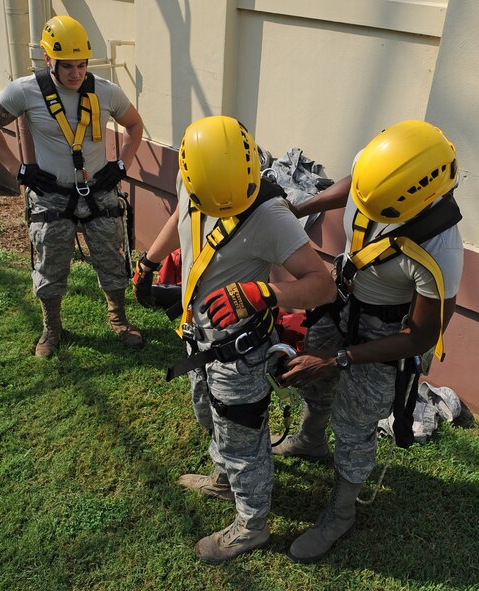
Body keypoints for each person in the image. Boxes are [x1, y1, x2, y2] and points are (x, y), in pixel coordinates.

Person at [134, 115, 336, 563]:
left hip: (238, 353)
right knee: (210, 418)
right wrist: (150, 261)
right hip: (197, 338)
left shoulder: (270, 214)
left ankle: (252, 525)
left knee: (243, 440)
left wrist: (265, 292)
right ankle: (225, 482)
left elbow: (321, 285)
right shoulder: (197, 179)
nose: (222, 206)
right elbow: (182, 218)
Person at [271, 120, 463, 563]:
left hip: (387, 333)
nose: (366, 206)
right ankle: (310, 439)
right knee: (311, 382)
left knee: (355, 422)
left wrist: (341, 359)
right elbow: (354, 185)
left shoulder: (441, 249)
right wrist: (300, 208)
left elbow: (420, 336)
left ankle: (341, 514)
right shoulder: (384, 165)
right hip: (339, 298)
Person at [0, 15, 144, 356]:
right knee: (50, 265)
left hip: (99, 191)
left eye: (82, 65)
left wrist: (121, 164)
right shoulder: (25, 91)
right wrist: (17, 169)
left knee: (112, 259)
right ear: (48, 59)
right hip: (51, 195)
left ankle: (119, 319)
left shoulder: (106, 91)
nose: (76, 74)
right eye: (67, 66)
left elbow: (134, 125)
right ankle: (51, 329)